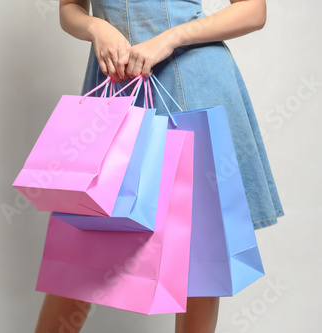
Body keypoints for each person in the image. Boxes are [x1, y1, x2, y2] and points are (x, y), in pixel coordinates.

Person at [35, 0, 284, 332]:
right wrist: (98, 28)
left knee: (198, 261)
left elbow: (253, 11)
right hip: (116, 91)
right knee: (81, 255)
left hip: (193, 82)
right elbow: (71, 9)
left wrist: (170, 38)